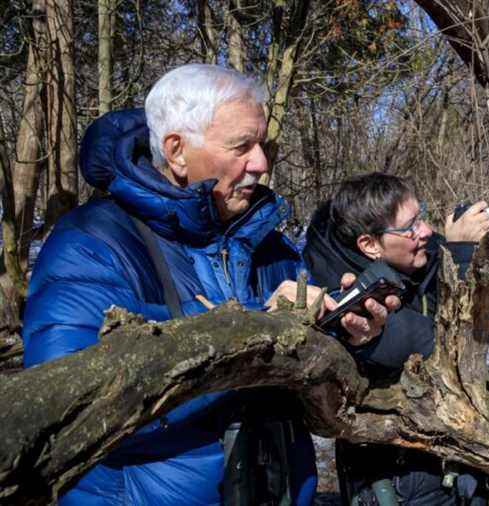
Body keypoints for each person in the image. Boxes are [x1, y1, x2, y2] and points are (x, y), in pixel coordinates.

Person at [22, 64, 397, 506]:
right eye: (242, 146)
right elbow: (70, 403)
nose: (260, 163)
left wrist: (345, 337)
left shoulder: (271, 245)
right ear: (177, 151)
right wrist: (261, 328)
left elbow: (315, 405)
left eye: (262, 145)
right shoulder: (92, 240)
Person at [303, 172, 489, 505]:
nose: (426, 231)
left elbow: (472, 322)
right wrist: (460, 254)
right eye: (410, 227)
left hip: (453, 464)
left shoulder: (416, 257)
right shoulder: (348, 296)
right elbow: (433, 342)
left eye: (422, 217)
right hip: (397, 481)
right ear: (369, 245)